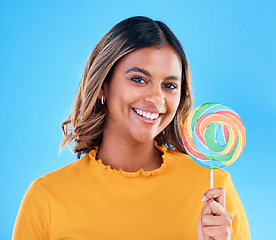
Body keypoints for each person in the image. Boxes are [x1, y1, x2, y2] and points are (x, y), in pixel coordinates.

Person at [12, 16, 250, 240]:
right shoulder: (46, 198)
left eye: (169, 85)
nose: (157, 99)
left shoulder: (214, 190)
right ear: (103, 85)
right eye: (139, 79)